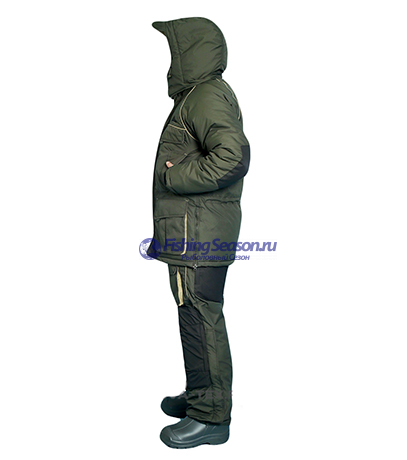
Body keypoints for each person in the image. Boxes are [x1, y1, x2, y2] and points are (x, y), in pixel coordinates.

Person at [147, 17, 250, 449]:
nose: (170, 61)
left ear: (189, 52)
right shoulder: (200, 95)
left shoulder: (205, 95)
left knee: (201, 319)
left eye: (174, 51)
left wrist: (174, 177)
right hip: (192, 232)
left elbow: (233, 156)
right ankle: (200, 395)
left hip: (197, 235)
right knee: (195, 316)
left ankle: (211, 417)